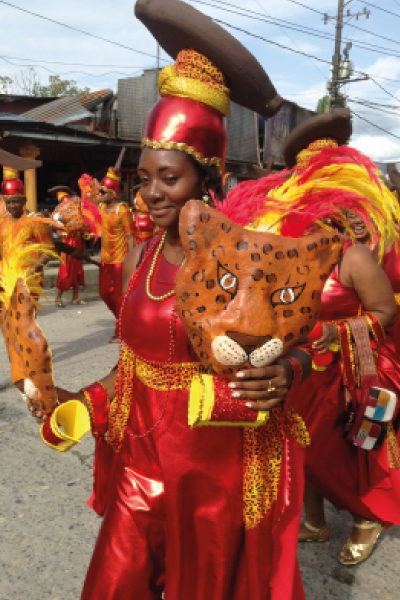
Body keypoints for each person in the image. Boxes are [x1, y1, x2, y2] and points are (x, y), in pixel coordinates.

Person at [23, 1, 333, 598]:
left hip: (213, 478)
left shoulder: (245, 258)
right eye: (145, 178)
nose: (151, 194)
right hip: (140, 469)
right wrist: (79, 404)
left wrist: (287, 372)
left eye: (171, 178)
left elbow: (308, 341)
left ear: (206, 179)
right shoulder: (136, 258)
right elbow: (137, 368)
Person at [226, 109, 400, 567]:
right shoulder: (285, 255)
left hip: (344, 374)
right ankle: (315, 519)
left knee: (333, 451)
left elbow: (386, 312)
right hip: (294, 370)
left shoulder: (354, 257)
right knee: (294, 451)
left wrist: (335, 331)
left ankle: (367, 517)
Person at [0, 166, 53, 293]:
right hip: (5, 278)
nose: (12, 206)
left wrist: (31, 271)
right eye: (9, 202)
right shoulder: (3, 220)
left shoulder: (35, 221)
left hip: (28, 280)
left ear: (24, 200)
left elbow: (48, 250)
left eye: (16, 201)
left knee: (23, 313)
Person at [98, 166, 134, 342]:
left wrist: (132, 262)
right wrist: (100, 254)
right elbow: (104, 234)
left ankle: (122, 330)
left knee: (119, 296)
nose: (100, 194)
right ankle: (123, 320)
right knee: (104, 293)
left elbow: (130, 237)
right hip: (106, 259)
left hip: (121, 260)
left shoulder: (123, 211)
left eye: (103, 191)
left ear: (113, 193)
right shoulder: (102, 210)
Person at [50, 187, 86, 307]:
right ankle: (58, 297)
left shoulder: (76, 209)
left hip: (77, 241)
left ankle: (75, 297)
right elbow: (58, 230)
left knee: (77, 270)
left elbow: (81, 224)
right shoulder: (58, 213)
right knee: (67, 269)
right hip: (68, 243)